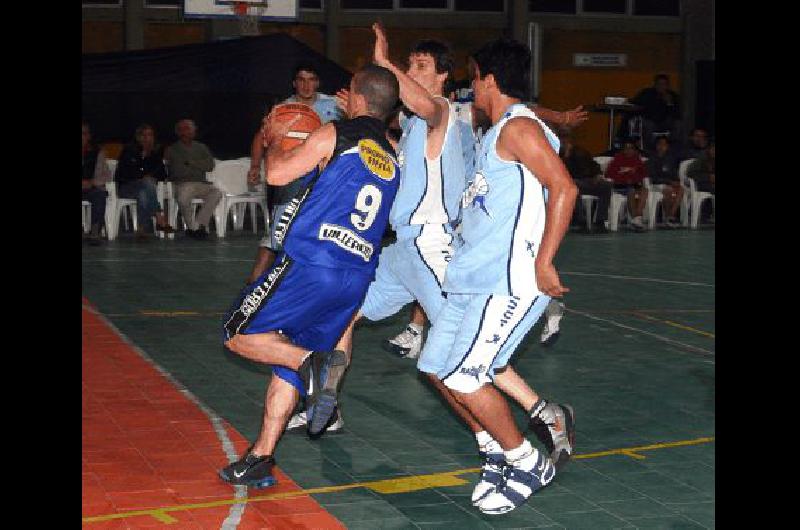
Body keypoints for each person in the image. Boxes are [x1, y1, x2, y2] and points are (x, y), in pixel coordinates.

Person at [402, 37, 578, 515]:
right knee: (435, 368)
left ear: (491, 80)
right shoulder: (494, 129)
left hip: (509, 279)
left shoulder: (520, 127)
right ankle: (497, 456)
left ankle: (526, 461)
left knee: (465, 376)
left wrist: (544, 261)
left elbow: (564, 186)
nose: (470, 87)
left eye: (475, 78)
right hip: (472, 276)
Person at [218, 63, 401, 489]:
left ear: (356, 98)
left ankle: (313, 366)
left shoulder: (335, 134)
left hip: (311, 263)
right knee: (284, 356)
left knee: (237, 335)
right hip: (356, 275)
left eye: (349, 91)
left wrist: (278, 140)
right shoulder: (392, 154)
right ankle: (262, 455)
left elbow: (277, 175)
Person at [245, 62, 345, 283]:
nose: (306, 85)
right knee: (277, 235)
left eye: (311, 79)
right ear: (294, 83)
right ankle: (252, 288)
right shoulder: (282, 110)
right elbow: (260, 137)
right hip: (293, 178)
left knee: (323, 235)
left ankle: (309, 286)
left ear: (317, 82)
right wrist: (254, 166)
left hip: (327, 180)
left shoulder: (335, 105)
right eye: (301, 79)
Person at [114, 124, 175, 238]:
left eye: (150, 135)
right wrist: (141, 166)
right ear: (138, 137)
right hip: (127, 187)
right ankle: (159, 217)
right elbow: (123, 174)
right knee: (147, 183)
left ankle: (142, 230)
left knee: (144, 193)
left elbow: (162, 174)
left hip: (146, 188)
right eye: (144, 135)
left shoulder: (155, 153)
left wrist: (148, 174)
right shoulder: (129, 150)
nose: (148, 138)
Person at [165, 119, 220, 239]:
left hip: (201, 183)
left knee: (217, 192)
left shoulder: (201, 147)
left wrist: (190, 163)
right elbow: (178, 171)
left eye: (191, 128)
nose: (190, 131)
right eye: (186, 129)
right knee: (183, 197)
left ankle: (200, 224)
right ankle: (193, 228)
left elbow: (210, 165)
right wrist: (199, 165)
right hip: (183, 183)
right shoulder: (173, 149)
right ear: (179, 132)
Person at [558, 128, 611, 233]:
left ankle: (600, 221)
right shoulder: (557, 153)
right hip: (573, 182)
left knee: (606, 185)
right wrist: (566, 156)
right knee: (573, 186)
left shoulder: (581, 151)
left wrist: (598, 175)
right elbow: (561, 171)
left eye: (567, 137)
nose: (565, 140)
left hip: (589, 181)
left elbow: (594, 164)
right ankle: (581, 222)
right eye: (563, 137)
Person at [629, 73, 681, 151]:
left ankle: (672, 149)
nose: (661, 86)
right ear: (655, 84)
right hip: (649, 120)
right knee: (648, 125)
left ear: (668, 85)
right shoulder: (647, 93)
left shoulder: (673, 95)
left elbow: (677, 113)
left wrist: (670, 103)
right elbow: (634, 103)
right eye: (659, 84)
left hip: (666, 122)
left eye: (664, 84)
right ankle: (648, 150)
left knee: (678, 124)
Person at [606, 138, 648, 232]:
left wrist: (634, 174)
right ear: (623, 149)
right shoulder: (618, 158)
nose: (628, 150)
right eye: (626, 148)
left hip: (634, 184)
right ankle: (636, 219)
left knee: (645, 190)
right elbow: (609, 174)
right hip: (620, 186)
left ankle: (636, 218)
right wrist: (623, 175)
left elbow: (643, 174)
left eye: (631, 148)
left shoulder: (637, 159)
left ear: (634, 150)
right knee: (631, 191)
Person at [646, 135, 684, 228]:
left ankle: (670, 216)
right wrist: (669, 182)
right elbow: (653, 177)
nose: (662, 146)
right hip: (654, 184)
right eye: (660, 144)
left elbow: (674, 174)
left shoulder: (670, 159)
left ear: (667, 146)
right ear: (656, 146)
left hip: (668, 183)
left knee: (681, 189)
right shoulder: (651, 159)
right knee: (668, 190)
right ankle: (668, 217)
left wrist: (676, 181)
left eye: (664, 144)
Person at [82, 121, 110, 246]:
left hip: (90, 186)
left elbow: (106, 174)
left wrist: (92, 182)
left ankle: (95, 231)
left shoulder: (97, 152)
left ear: (88, 136)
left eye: (84, 133)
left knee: (100, 194)